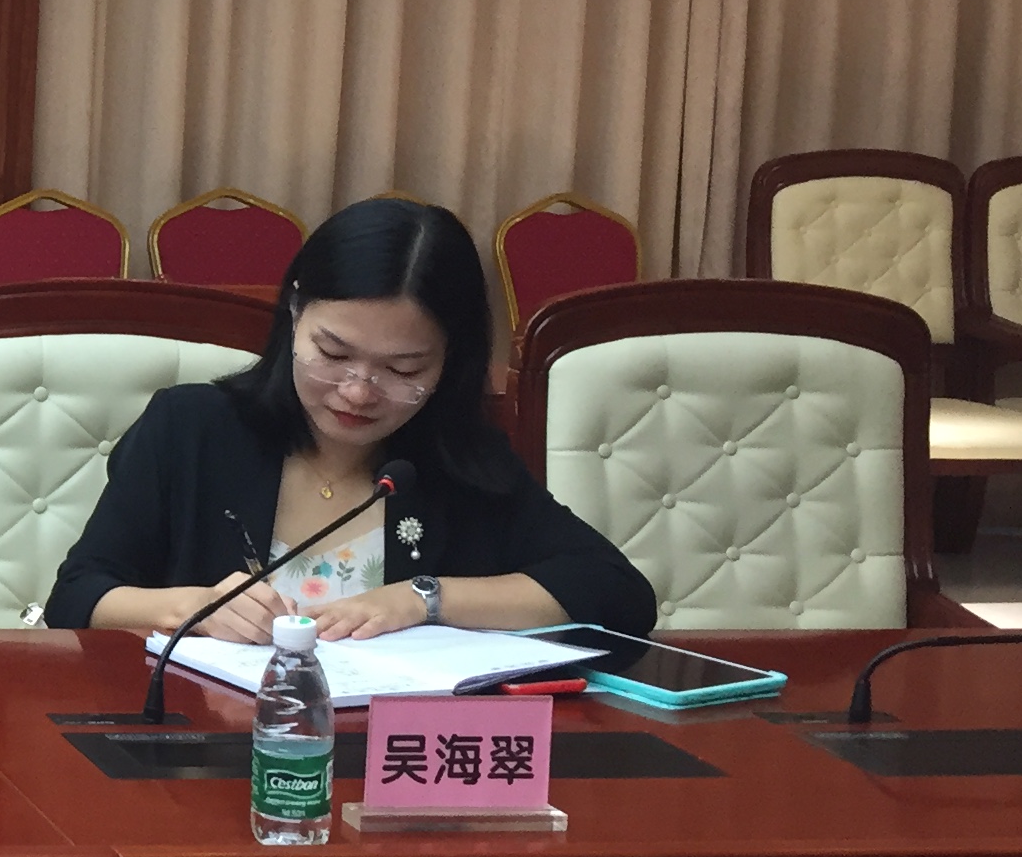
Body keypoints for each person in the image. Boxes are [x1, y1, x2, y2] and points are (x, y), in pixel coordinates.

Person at [45, 196, 656, 640]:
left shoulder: (458, 463)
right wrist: (193, 608)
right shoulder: (190, 429)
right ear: (295, 314)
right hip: (203, 749)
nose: (358, 392)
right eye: (333, 355)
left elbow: (616, 593)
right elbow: (76, 596)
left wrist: (422, 598)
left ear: (451, 361)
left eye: (404, 368)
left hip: (387, 758)